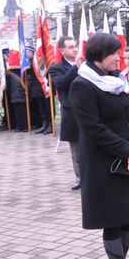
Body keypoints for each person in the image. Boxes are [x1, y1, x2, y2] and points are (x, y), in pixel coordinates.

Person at [69, 33, 129, 259]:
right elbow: (93, 129)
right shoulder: (82, 85)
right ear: (97, 56)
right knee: (113, 218)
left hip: (127, 159)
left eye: (119, 52)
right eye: (112, 53)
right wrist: (127, 149)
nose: (118, 57)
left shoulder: (117, 79)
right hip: (101, 162)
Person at [48, 36, 83, 190]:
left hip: (88, 110)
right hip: (72, 113)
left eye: (75, 46)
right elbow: (61, 84)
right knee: (76, 147)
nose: (75, 49)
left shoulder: (87, 65)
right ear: (62, 50)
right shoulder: (56, 68)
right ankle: (80, 177)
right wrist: (76, 67)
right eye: (70, 47)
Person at [25, 47, 53, 134]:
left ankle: (50, 125)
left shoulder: (43, 60)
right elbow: (28, 72)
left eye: (28, 52)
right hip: (37, 88)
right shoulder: (30, 62)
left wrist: (49, 85)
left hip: (45, 87)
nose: (27, 54)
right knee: (41, 108)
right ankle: (44, 124)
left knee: (48, 107)